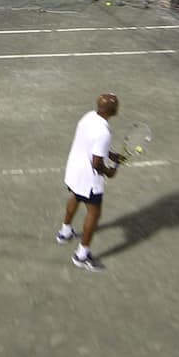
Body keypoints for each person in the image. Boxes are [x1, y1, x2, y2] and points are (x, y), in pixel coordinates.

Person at [56, 93, 122, 272]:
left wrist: (111, 154)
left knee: (76, 197)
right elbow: (97, 163)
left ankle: (65, 232)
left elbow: (93, 145)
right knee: (94, 213)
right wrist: (110, 172)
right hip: (89, 178)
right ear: (114, 110)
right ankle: (82, 255)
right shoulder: (104, 132)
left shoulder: (88, 116)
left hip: (74, 171)